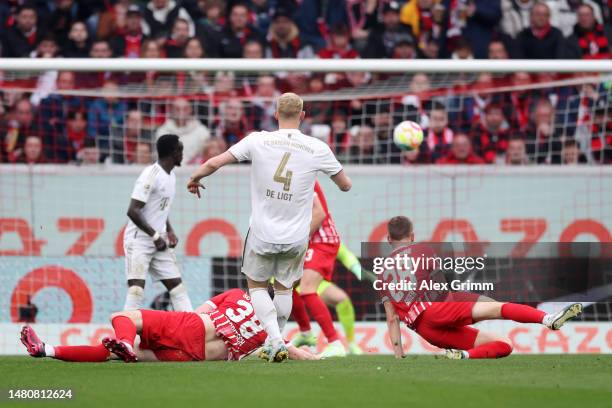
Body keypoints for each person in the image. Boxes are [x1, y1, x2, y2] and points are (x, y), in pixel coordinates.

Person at [187, 93, 352, 362]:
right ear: (303, 116)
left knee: (258, 288)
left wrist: (196, 177)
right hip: (297, 237)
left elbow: (215, 161)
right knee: (286, 289)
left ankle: (275, 340)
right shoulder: (317, 148)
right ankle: (277, 340)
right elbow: (345, 185)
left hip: (262, 234)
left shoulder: (257, 140)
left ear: (275, 114)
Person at [382, 216, 583, 359]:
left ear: (389, 239)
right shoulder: (422, 250)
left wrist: (399, 355)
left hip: (426, 330)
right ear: (413, 236)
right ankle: (548, 319)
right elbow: (440, 287)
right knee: (497, 308)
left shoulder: (382, 273)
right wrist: (464, 312)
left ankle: (464, 356)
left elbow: (392, 318)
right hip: (438, 308)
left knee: (505, 345)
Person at [20, 289, 318, 363]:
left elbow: (200, 311)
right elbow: (295, 352)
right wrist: (317, 355)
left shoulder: (239, 295)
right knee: (111, 353)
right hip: (196, 357)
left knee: (123, 316)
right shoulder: (272, 334)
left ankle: (124, 343)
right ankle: (45, 349)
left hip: (192, 328)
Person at [291, 181, 363, 356]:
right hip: (308, 244)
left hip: (321, 240)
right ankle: (306, 332)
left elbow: (319, 213)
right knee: (283, 285)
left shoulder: (302, 175)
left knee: (308, 290)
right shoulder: (285, 180)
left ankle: (338, 343)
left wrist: (356, 268)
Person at [124, 134, 193, 313]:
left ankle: (193, 331)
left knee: (177, 288)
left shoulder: (171, 176)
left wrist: (169, 230)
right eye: (181, 151)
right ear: (172, 152)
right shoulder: (150, 174)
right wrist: (154, 236)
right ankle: (125, 338)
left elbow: (161, 208)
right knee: (136, 290)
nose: (183, 155)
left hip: (159, 240)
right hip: (139, 240)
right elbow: (133, 210)